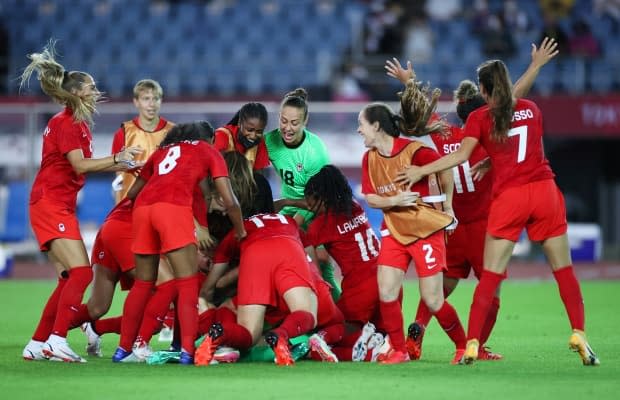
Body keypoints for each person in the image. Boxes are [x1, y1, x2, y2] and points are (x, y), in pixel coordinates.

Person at [395, 58, 600, 366]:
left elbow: (426, 113)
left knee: (446, 285)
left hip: (454, 224)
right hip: (507, 210)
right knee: (512, 281)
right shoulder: (523, 114)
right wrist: (535, 67)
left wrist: (410, 81)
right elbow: (512, 107)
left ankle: (437, 331)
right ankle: (571, 332)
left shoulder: (447, 134)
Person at [19, 40, 141, 362]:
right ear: (77, 92)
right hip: (51, 203)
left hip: (54, 202)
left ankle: (37, 342)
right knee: (82, 273)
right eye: (90, 87)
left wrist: (124, 163)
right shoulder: (69, 122)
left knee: (66, 280)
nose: (95, 90)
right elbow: (80, 165)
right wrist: (117, 158)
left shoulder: (76, 122)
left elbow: (86, 165)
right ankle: (57, 340)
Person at [112, 121, 246, 365]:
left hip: (142, 210)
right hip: (173, 209)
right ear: (208, 139)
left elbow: (132, 194)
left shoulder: (163, 150)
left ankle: (122, 351)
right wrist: (241, 231)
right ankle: (187, 352)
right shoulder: (208, 150)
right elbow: (230, 201)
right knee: (186, 284)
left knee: (142, 284)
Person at [358, 84, 467, 365]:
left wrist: (448, 206)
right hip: (394, 230)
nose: (359, 130)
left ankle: (462, 346)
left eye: (362, 125)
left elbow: (446, 168)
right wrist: (395, 200)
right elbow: (371, 198)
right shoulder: (368, 158)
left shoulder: (415, 151)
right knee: (387, 291)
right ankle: (399, 350)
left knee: (433, 300)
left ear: (377, 126)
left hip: (425, 230)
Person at [194, 213, 321, 366]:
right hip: (288, 247)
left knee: (249, 333)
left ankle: (221, 334)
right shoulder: (288, 220)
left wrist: (206, 304)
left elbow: (210, 287)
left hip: (254, 255)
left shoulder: (232, 235)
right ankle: (281, 335)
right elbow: (312, 258)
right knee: (305, 312)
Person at [263, 88, 340, 300]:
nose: (287, 128)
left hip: (319, 209)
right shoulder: (270, 142)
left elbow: (318, 200)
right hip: (291, 208)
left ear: (305, 121)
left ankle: (339, 316)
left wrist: (293, 220)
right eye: (283, 121)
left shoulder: (315, 153)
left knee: (323, 262)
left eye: (294, 123)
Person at [303, 165, 386, 361]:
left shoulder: (319, 226)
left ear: (322, 198)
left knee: (334, 331)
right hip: (387, 276)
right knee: (380, 332)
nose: (309, 208)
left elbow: (318, 261)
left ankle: (323, 340)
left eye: (311, 202)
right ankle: (380, 344)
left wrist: (321, 280)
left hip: (361, 285)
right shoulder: (355, 206)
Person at [111, 79, 174, 203]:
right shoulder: (123, 133)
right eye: (146, 99)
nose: (151, 104)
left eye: (155, 98)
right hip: (131, 205)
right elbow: (118, 174)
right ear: (136, 102)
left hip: (164, 203)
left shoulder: (174, 132)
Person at [213, 102, 270, 171]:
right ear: (239, 123)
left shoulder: (260, 142)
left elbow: (259, 176)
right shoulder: (222, 135)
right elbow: (213, 170)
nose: (253, 136)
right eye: (249, 130)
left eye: (259, 132)